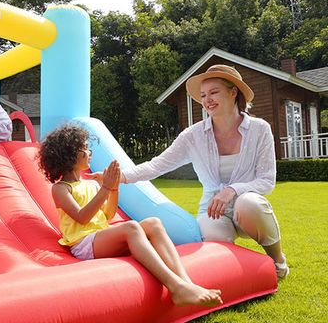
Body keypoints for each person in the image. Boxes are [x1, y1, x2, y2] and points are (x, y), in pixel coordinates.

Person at [87, 64, 288, 280]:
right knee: (215, 242)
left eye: (214, 92)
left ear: (233, 92)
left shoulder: (260, 129)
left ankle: (278, 261)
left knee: (249, 203)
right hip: (213, 210)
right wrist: (119, 177)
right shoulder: (193, 135)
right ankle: (238, 275)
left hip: (247, 208)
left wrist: (232, 190)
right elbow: (157, 165)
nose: (207, 100)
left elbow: (266, 180)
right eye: (203, 95)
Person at [38, 124, 223, 308]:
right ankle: (176, 287)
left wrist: (113, 186)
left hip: (100, 236)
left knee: (154, 223)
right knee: (131, 227)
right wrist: (105, 188)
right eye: (84, 149)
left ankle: (186, 283)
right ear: (69, 155)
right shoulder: (61, 189)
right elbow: (82, 217)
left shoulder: (91, 184)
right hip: (84, 243)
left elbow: (108, 215)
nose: (89, 152)